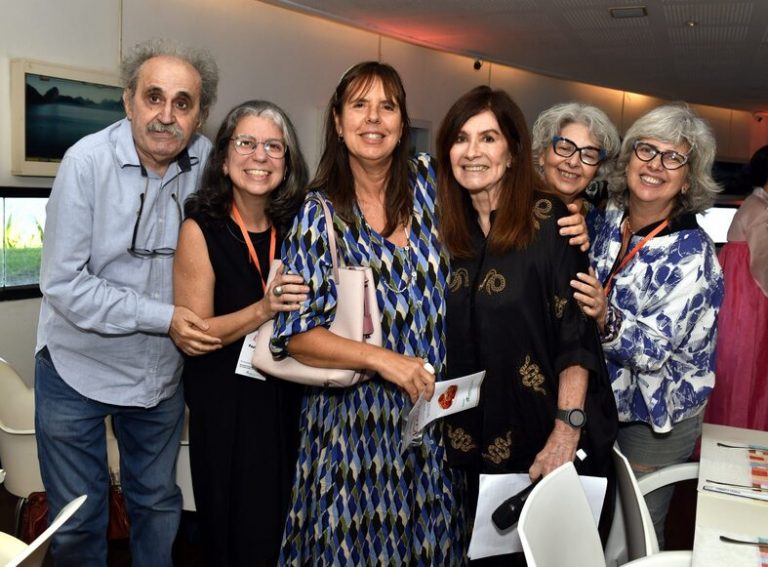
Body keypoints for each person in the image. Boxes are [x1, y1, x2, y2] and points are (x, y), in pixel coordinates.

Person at [272, 62, 468, 565]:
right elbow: (295, 337)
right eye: (359, 105)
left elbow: (501, 197)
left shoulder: (433, 186)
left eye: (387, 106)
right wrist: (384, 360)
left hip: (429, 425)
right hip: (354, 435)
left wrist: (564, 214)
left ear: (403, 122)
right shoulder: (319, 215)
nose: (374, 118)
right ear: (338, 121)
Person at [34, 39, 220, 566]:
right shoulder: (85, 163)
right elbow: (64, 284)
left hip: (159, 376)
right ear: (128, 101)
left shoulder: (210, 162)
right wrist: (165, 318)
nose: (166, 115)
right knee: (76, 522)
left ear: (200, 114)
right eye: (153, 98)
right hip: (76, 370)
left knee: (158, 506)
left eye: (183, 103)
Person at [438, 86, 618, 565]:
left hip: (545, 437)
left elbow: (577, 336)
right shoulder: (448, 230)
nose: (473, 151)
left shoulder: (554, 221)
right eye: (461, 138)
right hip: (473, 438)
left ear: (514, 152)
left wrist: (566, 431)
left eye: (489, 138)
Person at [571, 104, 724, 548]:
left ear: (689, 179)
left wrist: (604, 315)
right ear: (629, 157)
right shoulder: (613, 217)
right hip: (603, 401)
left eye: (673, 158)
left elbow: (654, 352)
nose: (655, 165)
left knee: (633, 536)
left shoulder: (694, 257)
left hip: (654, 421)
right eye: (646, 150)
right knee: (595, 522)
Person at [173, 100, 309, 566]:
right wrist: (262, 308)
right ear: (226, 158)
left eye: (274, 146)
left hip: (289, 399)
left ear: (287, 163)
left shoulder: (296, 228)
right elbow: (195, 332)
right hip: (227, 409)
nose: (260, 156)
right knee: (236, 535)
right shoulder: (201, 228)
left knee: (283, 528)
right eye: (247, 143)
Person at [706, 145, 768, 430]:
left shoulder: (752, 205)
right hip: (751, 305)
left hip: (739, 303)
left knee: (735, 370)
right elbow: (763, 267)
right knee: (749, 372)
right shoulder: (762, 211)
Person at [531, 102, 619, 208]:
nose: (573, 162)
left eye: (588, 156)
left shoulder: (595, 220)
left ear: (597, 168)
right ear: (542, 154)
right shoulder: (513, 203)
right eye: (564, 148)